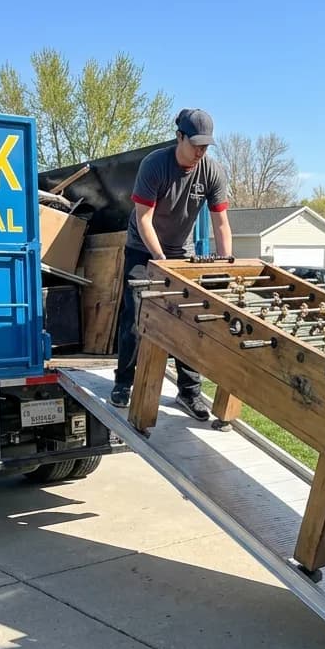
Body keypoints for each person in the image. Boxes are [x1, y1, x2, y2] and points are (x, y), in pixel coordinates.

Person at [109, 108, 233, 420]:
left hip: (182, 251)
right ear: (179, 137)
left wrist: (225, 266)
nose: (200, 152)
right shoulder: (155, 165)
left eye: (206, 147)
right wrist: (160, 262)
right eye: (195, 145)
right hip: (143, 248)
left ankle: (189, 392)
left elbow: (221, 224)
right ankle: (125, 382)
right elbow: (144, 218)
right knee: (136, 316)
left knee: (188, 321)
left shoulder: (212, 171)